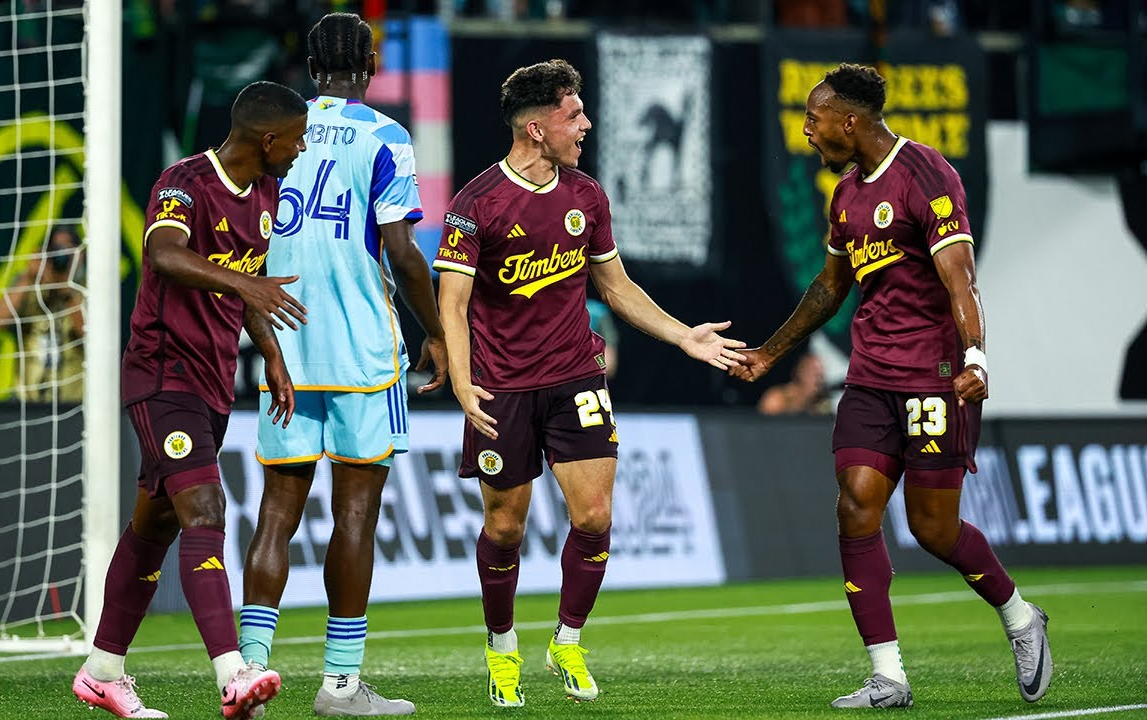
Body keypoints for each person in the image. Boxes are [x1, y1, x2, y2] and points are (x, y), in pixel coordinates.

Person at [730, 63, 1052, 708]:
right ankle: (888, 675)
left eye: (814, 119)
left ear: (849, 121)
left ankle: (1020, 616)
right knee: (855, 505)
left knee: (933, 529)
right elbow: (829, 288)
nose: (807, 131)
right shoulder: (845, 194)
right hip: (871, 377)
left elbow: (961, 279)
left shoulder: (926, 174)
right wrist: (769, 353)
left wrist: (976, 357)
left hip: (934, 377)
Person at [434, 58, 746, 708]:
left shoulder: (586, 195)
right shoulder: (475, 204)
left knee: (596, 516)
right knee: (505, 529)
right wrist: (462, 382)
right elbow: (453, 303)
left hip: (577, 375)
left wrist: (683, 335)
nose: (587, 124)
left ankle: (568, 640)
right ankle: (503, 649)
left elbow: (616, 286)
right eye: (573, 114)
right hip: (502, 388)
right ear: (537, 127)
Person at [71, 80, 310, 720]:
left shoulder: (266, 195)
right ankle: (233, 675)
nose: (300, 149)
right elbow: (165, 254)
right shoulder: (185, 182)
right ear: (268, 139)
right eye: (296, 139)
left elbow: (246, 287)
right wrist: (248, 287)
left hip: (212, 381)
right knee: (205, 508)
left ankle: (102, 672)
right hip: (161, 372)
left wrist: (273, 355)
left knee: (154, 526)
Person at [238, 13, 447, 718]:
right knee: (354, 515)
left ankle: (248, 674)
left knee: (276, 513)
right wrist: (439, 332)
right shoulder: (385, 136)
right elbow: (404, 253)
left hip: (284, 344)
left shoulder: (277, 132)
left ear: (310, 66)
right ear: (370, 64)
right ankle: (339, 685)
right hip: (361, 348)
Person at [0, 225, 86, 402]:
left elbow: (90, 335)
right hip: (28, 402)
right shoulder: (30, 287)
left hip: (74, 401)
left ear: (81, 254)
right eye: (56, 249)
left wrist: (65, 289)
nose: (62, 255)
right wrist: (28, 276)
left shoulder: (88, 288)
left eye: (68, 249)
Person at [757, 351, 831, 415]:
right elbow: (763, 424)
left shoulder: (821, 403)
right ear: (800, 373)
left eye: (821, 375)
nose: (818, 380)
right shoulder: (777, 399)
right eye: (814, 374)